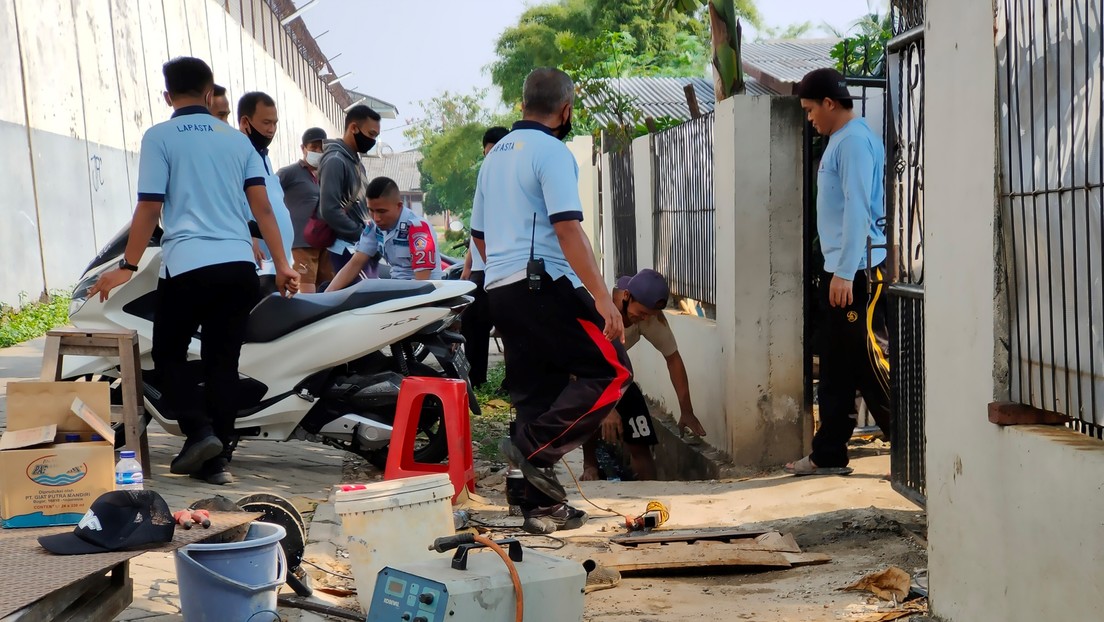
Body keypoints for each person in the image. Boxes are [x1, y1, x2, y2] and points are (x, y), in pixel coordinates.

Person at [89, 57, 298, 486]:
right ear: (209, 94)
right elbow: (261, 209)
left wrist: (127, 266)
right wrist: (283, 265)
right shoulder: (237, 142)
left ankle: (200, 433)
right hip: (239, 265)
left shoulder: (160, 136)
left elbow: (149, 206)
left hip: (188, 265)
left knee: (167, 352)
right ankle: (215, 464)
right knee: (224, 362)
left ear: (167, 96)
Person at [471, 68, 631, 535]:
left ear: (522, 106)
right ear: (566, 110)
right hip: (540, 284)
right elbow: (567, 228)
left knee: (536, 393)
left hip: (500, 287)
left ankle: (538, 507)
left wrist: (506, 274)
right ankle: (536, 450)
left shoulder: (493, 158)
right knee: (613, 370)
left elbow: (479, 237)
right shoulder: (552, 152)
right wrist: (603, 299)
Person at [786, 67, 893, 476]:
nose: (810, 118)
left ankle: (914, 446)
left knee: (870, 363)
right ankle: (828, 453)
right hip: (843, 269)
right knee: (835, 366)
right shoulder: (841, 140)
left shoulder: (853, 143)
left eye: (811, 109)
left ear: (830, 103)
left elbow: (857, 210)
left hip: (858, 271)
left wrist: (846, 273)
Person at [580, 269, 707, 481]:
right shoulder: (600, 310)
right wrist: (606, 409)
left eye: (650, 315)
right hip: (587, 374)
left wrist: (687, 410)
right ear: (627, 297)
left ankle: (650, 486)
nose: (644, 319)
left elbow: (673, 358)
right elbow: (582, 366)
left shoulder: (649, 318)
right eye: (642, 313)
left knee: (640, 432)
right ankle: (590, 465)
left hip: (619, 375)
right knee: (588, 412)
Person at [327, 176, 442, 290]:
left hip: (423, 293)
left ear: (399, 206)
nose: (376, 218)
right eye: (371, 210)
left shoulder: (417, 227)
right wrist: (325, 296)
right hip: (396, 286)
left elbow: (423, 283)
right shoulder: (374, 227)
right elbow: (355, 264)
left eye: (382, 211)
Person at [461, 126, 510, 387]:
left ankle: (513, 380)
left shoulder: (513, 181)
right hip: (483, 268)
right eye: (486, 153)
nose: (490, 158)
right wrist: (468, 268)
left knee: (512, 327)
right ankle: (475, 379)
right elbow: (475, 230)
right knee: (472, 324)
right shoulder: (484, 179)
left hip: (506, 266)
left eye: (495, 152)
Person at [237, 91, 294, 278]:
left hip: (280, 263)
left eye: (275, 123)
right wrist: (251, 237)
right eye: (266, 123)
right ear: (245, 122)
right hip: (258, 264)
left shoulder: (264, 157)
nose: (272, 129)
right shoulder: (236, 156)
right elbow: (235, 202)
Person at [319, 105, 381, 275]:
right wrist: (361, 235)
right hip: (347, 250)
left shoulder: (355, 162)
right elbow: (329, 210)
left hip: (360, 249)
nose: (373, 141)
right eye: (371, 134)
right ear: (353, 128)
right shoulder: (335, 160)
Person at [278, 127, 332, 293]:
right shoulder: (289, 173)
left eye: (320, 148)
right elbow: (266, 197)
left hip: (326, 243)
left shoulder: (328, 175)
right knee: (307, 295)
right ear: (303, 148)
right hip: (301, 243)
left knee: (329, 291)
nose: (317, 151)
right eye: (313, 147)